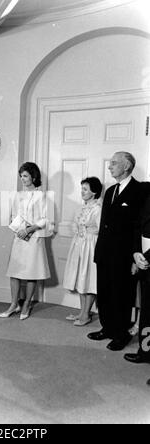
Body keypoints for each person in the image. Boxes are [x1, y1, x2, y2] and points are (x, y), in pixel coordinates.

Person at [88, 152, 149, 351]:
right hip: (105, 252)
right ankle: (107, 328)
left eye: (114, 163)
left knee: (122, 295)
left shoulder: (139, 191)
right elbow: (105, 223)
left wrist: (134, 257)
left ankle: (121, 333)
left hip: (125, 256)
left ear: (127, 166)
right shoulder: (111, 190)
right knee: (104, 292)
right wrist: (99, 252)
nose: (110, 167)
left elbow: (138, 227)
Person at [0, 162, 53, 320]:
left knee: (31, 272)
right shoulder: (18, 195)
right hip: (19, 237)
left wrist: (28, 230)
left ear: (33, 177)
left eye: (25, 176)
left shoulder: (42, 196)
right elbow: (14, 215)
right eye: (21, 176)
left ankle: (27, 304)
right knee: (14, 272)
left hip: (34, 238)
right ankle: (14, 304)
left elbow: (45, 219)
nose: (22, 179)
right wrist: (18, 229)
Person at [63, 177, 103, 326]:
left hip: (91, 246)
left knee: (90, 278)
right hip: (79, 245)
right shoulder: (81, 207)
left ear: (94, 191)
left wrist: (88, 234)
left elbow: (101, 230)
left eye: (85, 189)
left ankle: (86, 314)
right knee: (81, 277)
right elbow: (75, 224)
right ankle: (82, 312)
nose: (82, 192)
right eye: (82, 189)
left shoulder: (98, 209)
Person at [124, 192, 150, 364]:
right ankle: (145, 352)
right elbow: (138, 226)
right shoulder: (147, 194)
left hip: (148, 258)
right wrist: (135, 253)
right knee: (147, 311)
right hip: (143, 259)